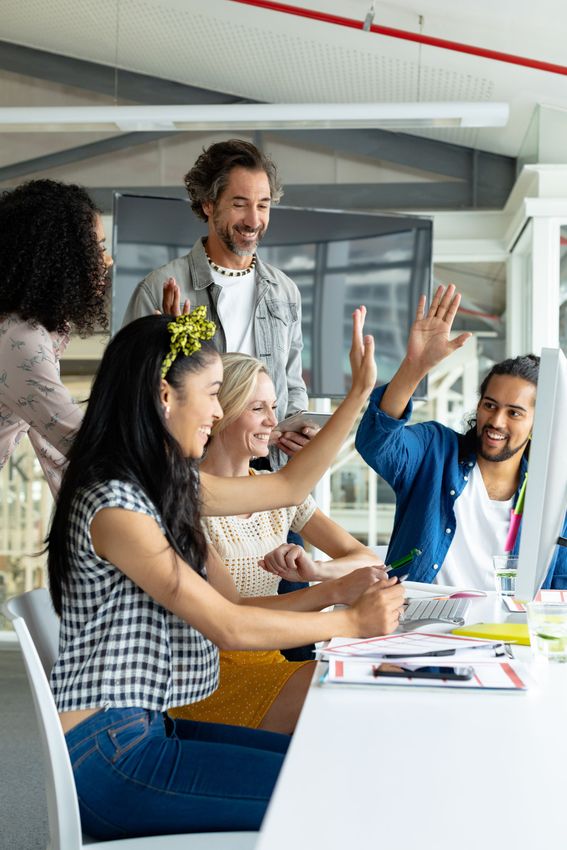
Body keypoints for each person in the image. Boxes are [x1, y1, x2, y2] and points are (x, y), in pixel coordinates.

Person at [47, 306, 404, 839]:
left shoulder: (156, 482)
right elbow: (228, 626)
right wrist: (350, 622)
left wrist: (356, 396)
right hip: (109, 759)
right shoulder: (116, 503)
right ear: (165, 397)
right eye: (214, 393)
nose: (218, 411)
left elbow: (284, 490)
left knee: (338, 766)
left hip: (144, 731)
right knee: (334, 790)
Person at [169, 352, 385, 734]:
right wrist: (332, 591)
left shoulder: (277, 495)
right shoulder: (186, 497)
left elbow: (363, 558)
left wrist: (318, 570)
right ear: (223, 413)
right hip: (206, 677)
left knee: (362, 691)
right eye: (258, 408)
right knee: (345, 702)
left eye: (273, 407)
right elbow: (230, 612)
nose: (273, 421)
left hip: (269, 662)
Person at [355, 283, 567, 590]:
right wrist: (415, 367)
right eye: (489, 405)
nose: (496, 421)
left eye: (514, 412)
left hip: (506, 632)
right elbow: (376, 442)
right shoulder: (435, 450)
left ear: (539, 424)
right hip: (418, 628)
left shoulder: (552, 497)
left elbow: (559, 588)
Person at [122, 138, 312, 460]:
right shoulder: (159, 288)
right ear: (208, 204)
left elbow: (292, 386)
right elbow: (134, 394)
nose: (254, 220)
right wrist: (171, 350)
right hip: (195, 471)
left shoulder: (284, 291)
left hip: (269, 470)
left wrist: (302, 430)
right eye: (240, 204)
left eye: (263, 205)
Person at [0, 179, 113, 495]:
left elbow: (53, 445)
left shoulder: (37, 331)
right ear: (60, 256)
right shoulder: (22, 341)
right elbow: (79, 442)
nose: (107, 261)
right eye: (98, 248)